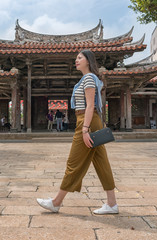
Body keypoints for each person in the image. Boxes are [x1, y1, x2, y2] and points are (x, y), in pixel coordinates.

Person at [37, 49, 118, 215]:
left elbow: (90, 105)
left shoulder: (88, 78)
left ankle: (56, 202)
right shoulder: (87, 78)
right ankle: (112, 204)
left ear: (88, 60)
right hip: (91, 120)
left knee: (73, 162)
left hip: (87, 120)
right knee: (101, 163)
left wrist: (85, 129)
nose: (76, 60)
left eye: (80, 57)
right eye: (76, 58)